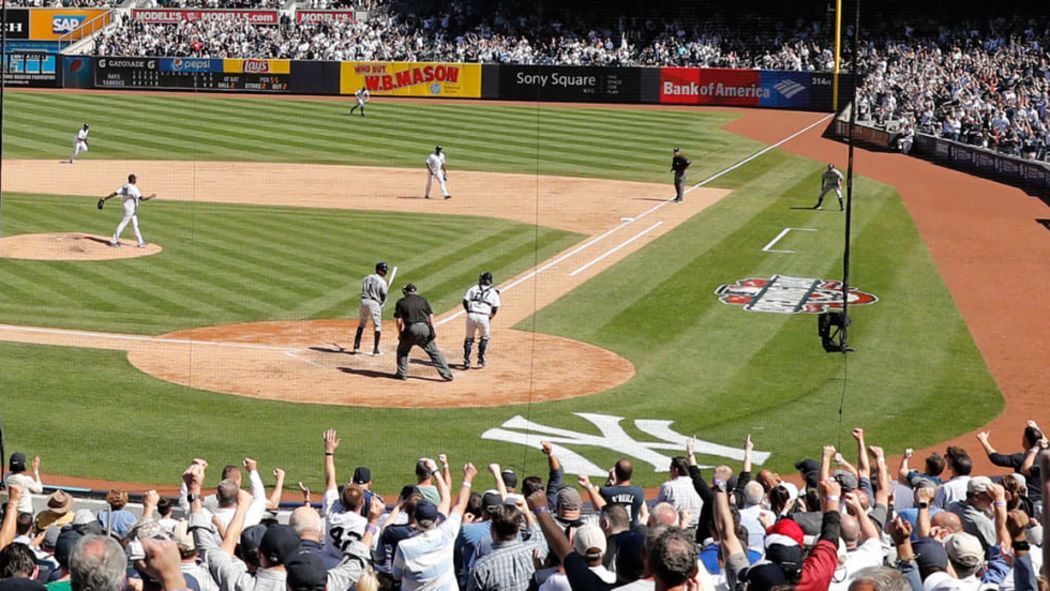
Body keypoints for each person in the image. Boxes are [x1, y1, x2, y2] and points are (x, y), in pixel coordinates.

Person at [393, 283, 454, 381]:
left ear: (405, 292)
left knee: (402, 351)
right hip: (425, 328)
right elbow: (430, 316)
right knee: (434, 352)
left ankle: (402, 374)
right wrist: (431, 329)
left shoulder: (401, 302)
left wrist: (400, 334)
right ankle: (447, 374)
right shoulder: (423, 300)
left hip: (411, 330)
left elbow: (398, 320)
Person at [99, 174, 155, 248]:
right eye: (135, 179)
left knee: (135, 225)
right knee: (123, 224)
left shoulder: (125, 186)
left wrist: (105, 198)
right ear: (132, 180)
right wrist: (151, 196)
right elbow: (142, 198)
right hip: (130, 210)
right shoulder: (134, 188)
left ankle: (140, 242)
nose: (136, 180)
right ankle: (113, 241)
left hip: (129, 208)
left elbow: (115, 193)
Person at [462, 272, 501, 369]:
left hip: (471, 315)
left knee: (469, 339)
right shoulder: (493, 292)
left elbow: (465, 301)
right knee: (484, 338)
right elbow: (495, 308)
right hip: (483, 317)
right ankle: (480, 360)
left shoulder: (473, 288)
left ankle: (466, 360)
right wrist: (490, 318)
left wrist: (468, 311)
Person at [353, 262, 389, 356]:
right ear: (379, 270)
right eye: (384, 270)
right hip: (373, 303)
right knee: (377, 326)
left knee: (361, 323)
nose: (385, 272)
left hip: (363, 301)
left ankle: (356, 347)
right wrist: (381, 303)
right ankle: (376, 350)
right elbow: (383, 295)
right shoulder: (382, 282)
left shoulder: (366, 278)